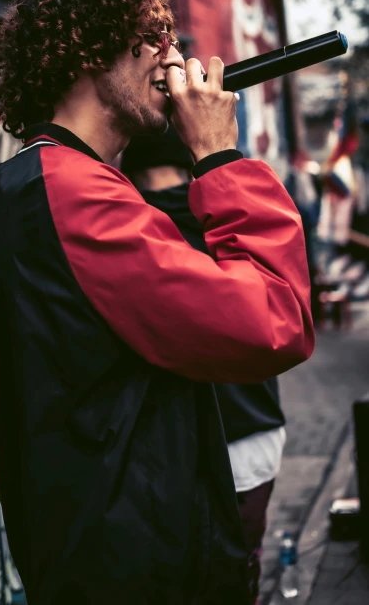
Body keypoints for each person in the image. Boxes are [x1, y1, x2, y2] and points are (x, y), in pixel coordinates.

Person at [0, 0, 314, 605]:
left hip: (111, 554)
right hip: (134, 567)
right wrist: (217, 154)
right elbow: (275, 319)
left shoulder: (36, 185)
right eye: (151, 35)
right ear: (88, 51)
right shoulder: (71, 193)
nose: (173, 55)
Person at [121, 127, 289, 605]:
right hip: (258, 430)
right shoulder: (226, 212)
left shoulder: (132, 232)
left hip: (186, 450)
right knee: (242, 573)